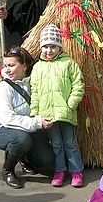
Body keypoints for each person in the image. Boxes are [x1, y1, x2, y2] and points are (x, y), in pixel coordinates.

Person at [0, 46, 54, 189]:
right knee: (20, 140)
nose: (7, 70)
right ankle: (8, 169)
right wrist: (37, 122)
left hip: (29, 128)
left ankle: (23, 157)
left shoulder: (32, 83)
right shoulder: (4, 88)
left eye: (12, 65)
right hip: (5, 129)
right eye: (6, 66)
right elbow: (7, 119)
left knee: (46, 161)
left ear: (24, 66)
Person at [30, 24, 85, 188]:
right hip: (48, 114)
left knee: (70, 142)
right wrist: (35, 113)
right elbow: (35, 91)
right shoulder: (38, 67)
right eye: (45, 47)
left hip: (66, 112)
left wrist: (72, 103)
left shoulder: (69, 64)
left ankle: (76, 171)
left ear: (59, 47)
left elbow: (78, 85)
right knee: (56, 144)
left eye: (53, 46)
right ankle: (59, 170)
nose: (48, 50)